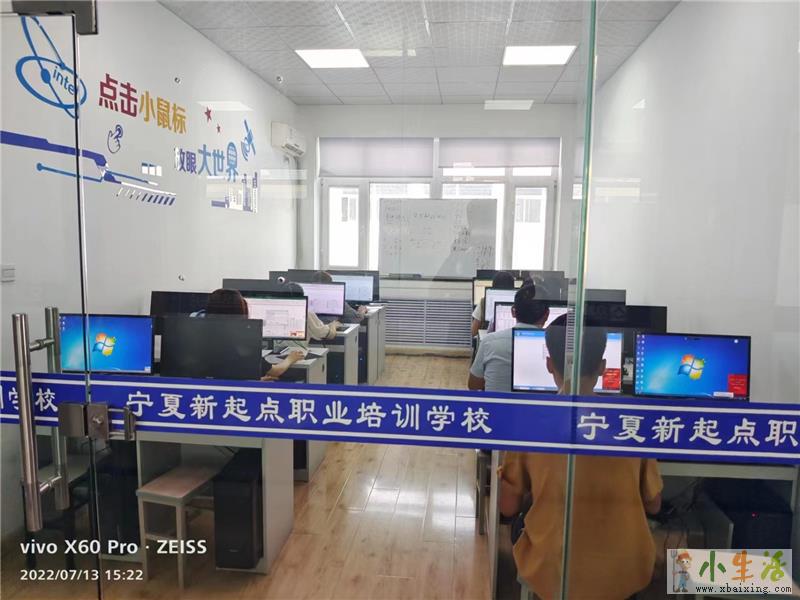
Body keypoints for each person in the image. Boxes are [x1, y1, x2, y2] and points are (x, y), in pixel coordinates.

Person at [498, 314, 663, 600]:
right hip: (624, 574)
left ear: (549, 364)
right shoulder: (630, 426)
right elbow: (654, 504)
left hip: (554, 573)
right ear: (603, 367)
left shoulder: (530, 426)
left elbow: (507, 506)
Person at [205, 288, 304, 381]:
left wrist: (253, 381)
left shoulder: (203, 337)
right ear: (240, 312)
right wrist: (290, 358)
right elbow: (275, 371)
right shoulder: (241, 341)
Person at [468, 283, 549, 392]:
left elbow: (473, 385)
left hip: (496, 403)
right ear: (547, 315)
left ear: (513, 311)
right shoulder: (554, 347)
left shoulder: (489, 342)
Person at [472, 270, 516, 337]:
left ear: (493, 285)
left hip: (489, 339)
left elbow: (473, 331)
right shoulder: (519, 302)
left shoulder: (484, 302)